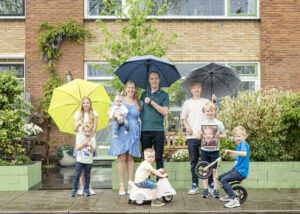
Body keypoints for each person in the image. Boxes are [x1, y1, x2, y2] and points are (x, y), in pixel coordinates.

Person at [107, 80, 142, 195]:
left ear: (135, 89)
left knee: (131, 158)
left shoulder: (139, 102)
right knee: (121, 158)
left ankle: (130, 184)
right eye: (128, 87)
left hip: (133, 133)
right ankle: (121, 185)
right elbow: (109, 112)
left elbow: (142, 117)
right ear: (125, 89)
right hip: (121, 131)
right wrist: (117, 115)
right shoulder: (120, 99)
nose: (131, 89)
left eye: (133, 87)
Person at [181, 82, 210, 195]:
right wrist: (187, 126)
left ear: (201, 89)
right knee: (193, 161)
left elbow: (213, 114)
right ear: (191, 89)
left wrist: (214, 102)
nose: (196, 89)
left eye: (198, 87)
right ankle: (195, 185)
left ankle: (210, 185)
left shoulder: (206, 101)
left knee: (207, 161)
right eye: (194, 88)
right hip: (192, 136)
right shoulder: (187, 103)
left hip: (205, 136)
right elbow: (183, 118)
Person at [140, 71, 169, 171]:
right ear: (149, 80)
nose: (154, 81)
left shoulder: (164, 95)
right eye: (152, 79)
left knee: (158, 157)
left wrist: (151, 102)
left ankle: (159, 182)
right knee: (146, 159)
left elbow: (165, 111)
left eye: (156, 78)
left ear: (159, 80)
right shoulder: (144, 94)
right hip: (145, 130)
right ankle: (146, 182)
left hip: (158, 130)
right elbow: (139, 112)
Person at [197, 102, 227, 198]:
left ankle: (215, 190)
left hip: (215, 151)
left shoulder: (218, 123)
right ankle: (205, 190)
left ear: (215, 111)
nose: (210, 112)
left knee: (214, 171)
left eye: (211, 110)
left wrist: (219, 135)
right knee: (205, 171)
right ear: (205, 112)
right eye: (208, 111)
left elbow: (224, 135)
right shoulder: (202, 124)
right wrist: (200, 135)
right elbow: (198, 137)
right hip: (205, 151)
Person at [219, 126, 249, 208]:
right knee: (220, 178)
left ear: (244, 136)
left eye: (239, 136)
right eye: (235, 137)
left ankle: (234, 200)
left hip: (240, 171)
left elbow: (244, 153)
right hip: (236, 170)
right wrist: (228, 152)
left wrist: (231, 151)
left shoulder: (243, 144)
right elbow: (235, 157)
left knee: (224, 180)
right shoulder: (238, 146)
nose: (237, 138)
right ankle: (230, 195)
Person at [73, 96, 98, 195]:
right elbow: (75, 129)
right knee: (81, 165)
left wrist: (89, 138)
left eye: (87, 103)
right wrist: (77, 126)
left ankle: (88, 186)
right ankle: (82, 187)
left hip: (90, 140)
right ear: (82, 104)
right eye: (84, 103)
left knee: (88, 166)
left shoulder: (94, 114)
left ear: (90, 104)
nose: (86, 104)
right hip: (80, 141)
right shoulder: (78, 114)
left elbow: (95, 127)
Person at [71, 123, 96, 197]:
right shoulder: (80, 137)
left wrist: (90, 145)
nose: (87, 133)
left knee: (87, 176)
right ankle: (74, 190)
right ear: (83, 131)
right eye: (86, 131)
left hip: (88, 161)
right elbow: (77, 148)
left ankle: (86, 189)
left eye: (89, 131)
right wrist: (83, 144)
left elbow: (92, 151)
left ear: (91, 132)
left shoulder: (93, 139)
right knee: (77, 175)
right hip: (80, 160)